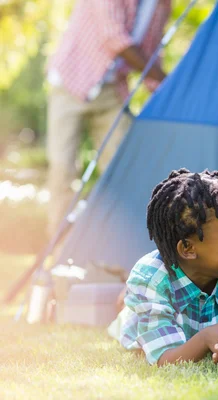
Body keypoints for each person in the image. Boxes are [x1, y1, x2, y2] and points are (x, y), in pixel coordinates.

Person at [110, 168, 218, 366]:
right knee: (125, 317)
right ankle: (125, 302)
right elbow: (163, 359)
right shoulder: (152, 278)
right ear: (188, 248)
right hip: (140, 324)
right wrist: (206, 338)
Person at [45, 0, 172, 236]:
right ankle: (58, 244)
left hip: (112, 91)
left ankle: (113, 245)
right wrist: (165, 79)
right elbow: (113, 37)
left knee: (122, 169)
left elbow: (153, 52)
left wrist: (166, 92)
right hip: (71, 82)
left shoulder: (163, 5)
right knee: (63, 168)